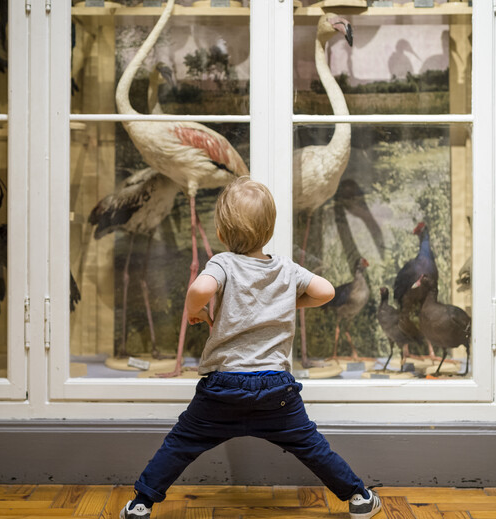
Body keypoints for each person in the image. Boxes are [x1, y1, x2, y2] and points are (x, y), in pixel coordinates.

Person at [121, 177, 382, 519]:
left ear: (222, 229)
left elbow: (200, 288)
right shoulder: (285, 267)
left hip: (223, 387)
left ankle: (142, 503)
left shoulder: (223, 263)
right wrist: (288, 303)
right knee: (311, 445)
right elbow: (327, 292)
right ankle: (359, 497)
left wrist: (194, 310)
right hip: (276, 389)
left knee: (181, 444)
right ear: (269, 228)